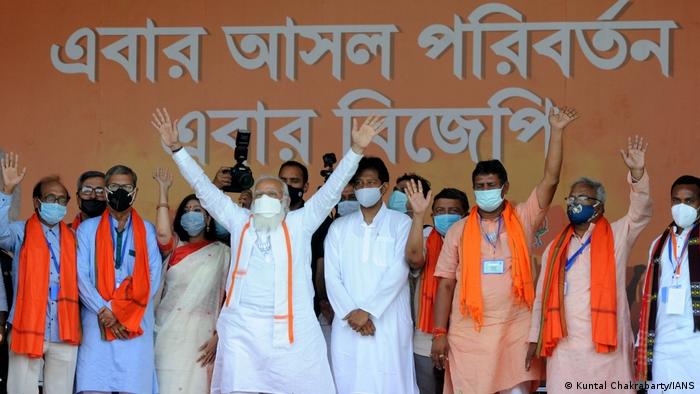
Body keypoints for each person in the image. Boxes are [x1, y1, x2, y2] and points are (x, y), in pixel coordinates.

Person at [152, 107, 383, 394]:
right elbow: (203, 188)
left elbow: (332, 190)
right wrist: (177, 149)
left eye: (273, 195)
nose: (265, 199)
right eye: (260, 195)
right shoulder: (239, 220)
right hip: (242, 331)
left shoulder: (301, 222)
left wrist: (357, 149)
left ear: (286, 202)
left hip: (292, 334)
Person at [431, 106, 578, 394]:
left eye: (491, 185)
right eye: (480, 186)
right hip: (469, 335)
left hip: (515, 331)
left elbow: (551, 179)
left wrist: (557, 132)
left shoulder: (523, 219)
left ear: (505, 187)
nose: (485, 190)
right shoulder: (459, 230)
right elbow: (446, 283)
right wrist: (439, 332)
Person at [525, 136, 651, 393]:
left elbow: (641, 211)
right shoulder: (555, 248)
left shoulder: (617, 235)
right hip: (564, 348)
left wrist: (637, 175)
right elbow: (541, 298)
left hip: (607, 347)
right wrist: (533, 339)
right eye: (571, 198)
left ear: (599, 206)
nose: (574, 204)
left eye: (582, 199)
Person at [324, 156, 419, 394]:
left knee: (391, 380)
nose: (365, 188)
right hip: (349, 324)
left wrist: (368, 311)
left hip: (387, 322)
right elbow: (331, 277)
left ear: (384, 187)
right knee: (349, 380)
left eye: (371, 182)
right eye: (360, 183)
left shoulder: (401, 224)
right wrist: (351, 312)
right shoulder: (339, 228)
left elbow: (399, 271)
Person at [75, 164, 162, 394]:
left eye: (126, 187)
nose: (120, 192)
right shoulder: (87, 229)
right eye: (114, 186)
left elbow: (153, 276)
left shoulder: (148, 231)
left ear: (135, 192)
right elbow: (80, 277)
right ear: (105, 190)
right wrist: (104, 310)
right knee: (95, 386)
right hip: (97, 323)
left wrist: (121, 313)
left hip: (135, 324)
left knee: (133, 387)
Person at [0, 153, 81, 394]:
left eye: (61, 200)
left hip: (63, 327)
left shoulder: (72, 237)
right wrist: (7, 191)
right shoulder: (22, 231)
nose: (56, 204)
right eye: (50, 198)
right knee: (21, 389)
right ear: (37, 202)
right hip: (27, 323)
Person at [152, 167, 231, 394]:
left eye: (197, 210)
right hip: (168, 335)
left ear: (208, 217)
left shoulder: (223, 253)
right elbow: (162, 234)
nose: (191, 214)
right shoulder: (174, 247)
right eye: (187, 210)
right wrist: (163, 191)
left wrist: (220, 335)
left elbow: (232, 299)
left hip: (204, 338)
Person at [637, 175, 700, 393]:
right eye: (676, 200)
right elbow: (647, 297)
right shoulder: (658, 245)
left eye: (689, 201)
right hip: (662, 345)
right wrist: (640, 343)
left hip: (695, 343)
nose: (681, 206)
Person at [405, 184, 469, 394]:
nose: (446, 216)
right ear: (432, 216)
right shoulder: (424, 241)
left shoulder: (477, 245)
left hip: (466, 336)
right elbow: (414, 258)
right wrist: (417, 216)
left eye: (453, 212)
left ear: (466, 215)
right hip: (426, 338)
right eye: (440, 212)